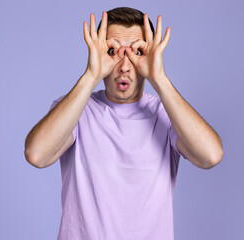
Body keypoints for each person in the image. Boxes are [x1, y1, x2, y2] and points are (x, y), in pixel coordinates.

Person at [24, 7, 223, 240]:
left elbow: (211, 155)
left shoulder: (166, 114)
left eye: (137, 52)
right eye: (112, 51)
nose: (125, 66)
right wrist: (91, 75)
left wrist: (159, 78)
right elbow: (36, 154)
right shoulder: (77, 110)